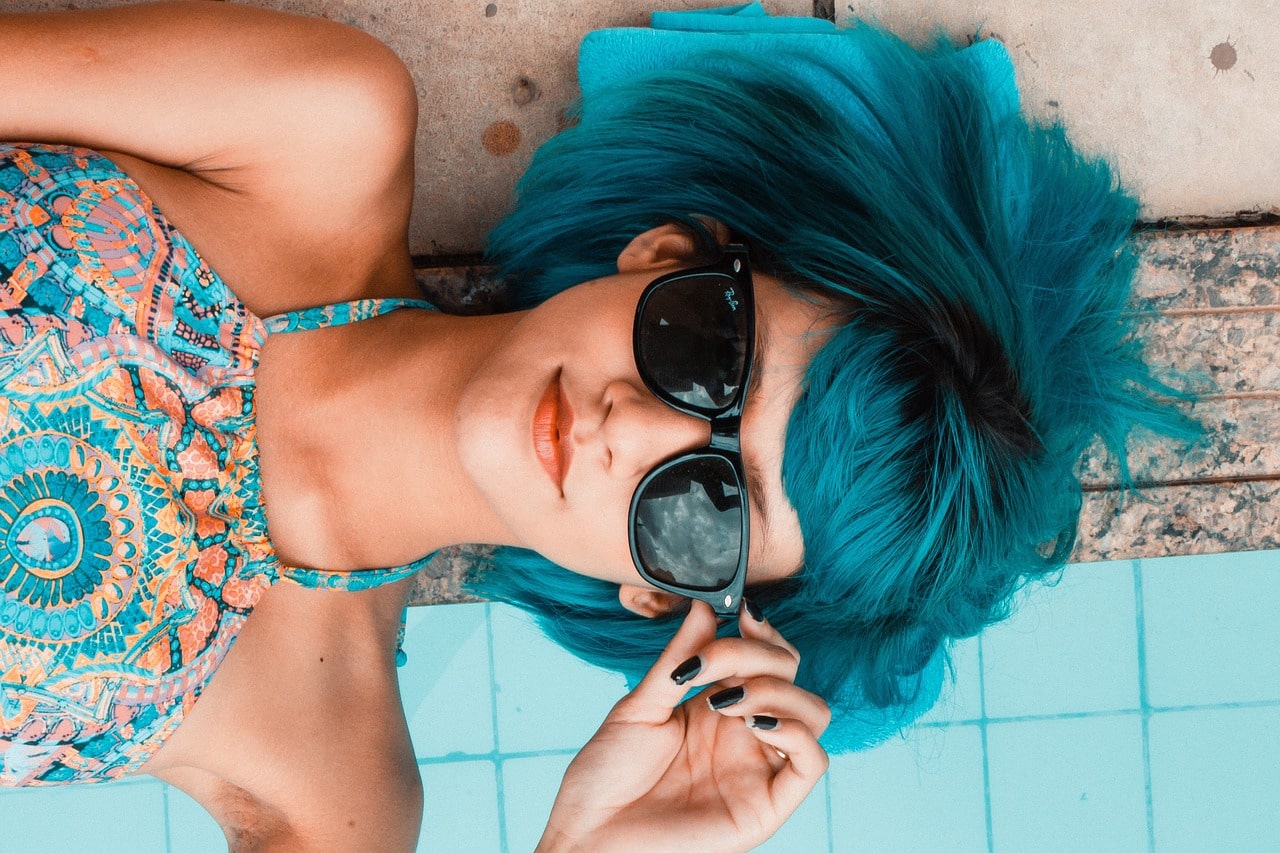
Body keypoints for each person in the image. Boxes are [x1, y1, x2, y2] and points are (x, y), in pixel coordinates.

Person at [0, 2, 1190, 850]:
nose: (633, 426)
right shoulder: (316, 132)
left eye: (710, 504)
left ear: (662, 597)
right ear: (665, 256)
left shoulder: (335, 787)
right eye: (702, 352)